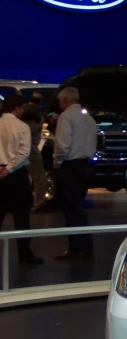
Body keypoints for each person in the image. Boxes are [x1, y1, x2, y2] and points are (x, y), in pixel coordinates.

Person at [53, 87, 97, 260]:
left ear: (65, 100)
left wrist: (57, 163)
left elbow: (62, 144)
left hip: (70, 167)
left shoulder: (66, 117)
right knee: (79, 207)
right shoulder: (89, 118)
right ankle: (86, 246)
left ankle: (76, 248)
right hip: (85, 166)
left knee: (72, 210)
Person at [0, 94, 43, 265]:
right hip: (16, 176)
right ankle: (25, 255)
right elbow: (24, 152)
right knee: (22, 218)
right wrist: (9, 168)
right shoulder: (22, 127)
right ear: (17, 108)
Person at [21, 95, 47, 209]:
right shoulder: (32, 115)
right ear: (40, 103)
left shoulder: (23, 112)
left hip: (21, 149)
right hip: (30, 149)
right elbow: (32, 128)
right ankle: (39, 203)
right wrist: (41, 123)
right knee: (40, 178)